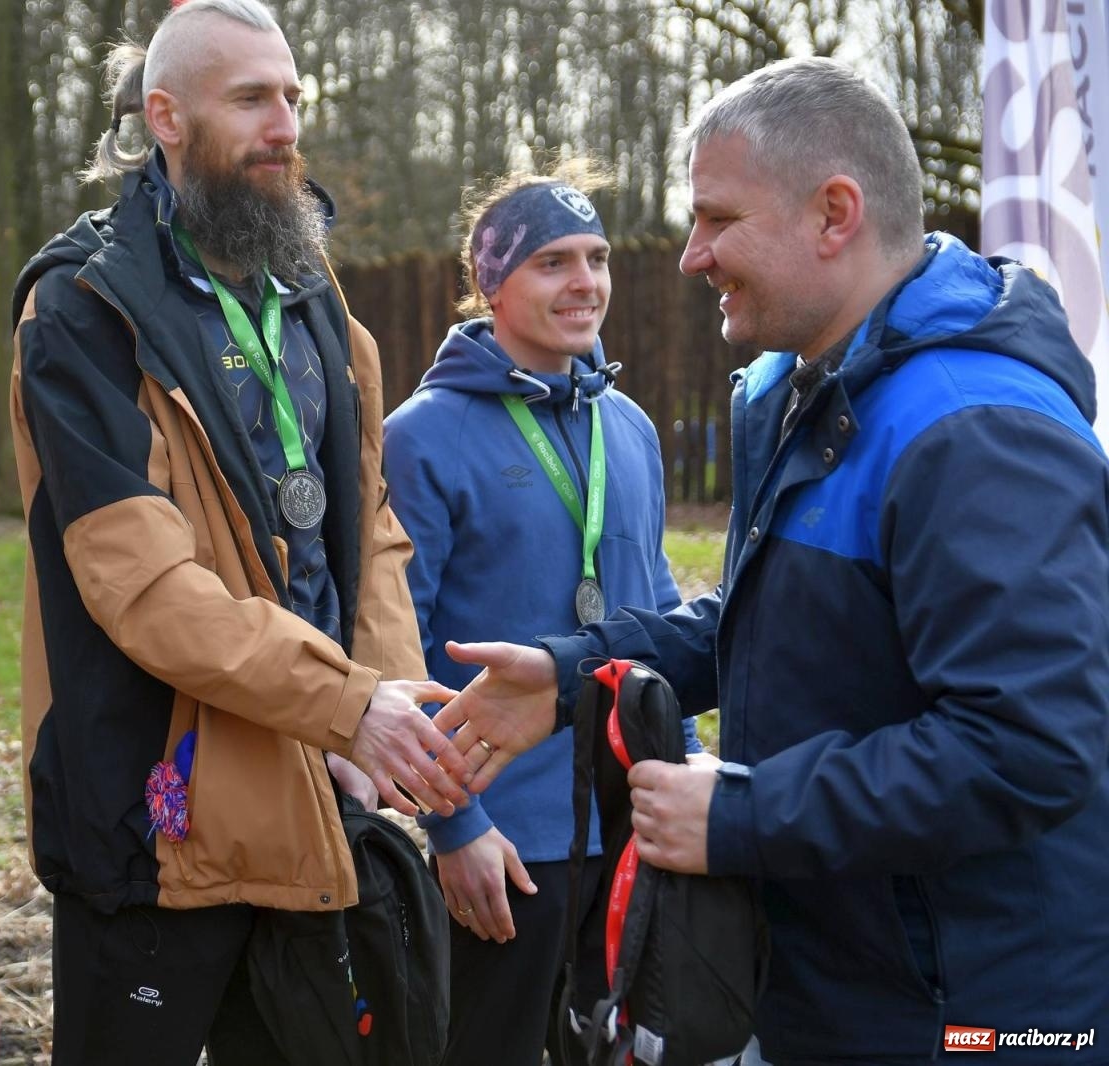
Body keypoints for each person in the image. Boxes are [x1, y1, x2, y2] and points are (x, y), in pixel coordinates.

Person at [440, 57, 1109, 1065]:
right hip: (821, 986)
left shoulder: (974, 431)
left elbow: (1028, 745)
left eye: (715, 219)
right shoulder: (788, 389)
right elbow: (761, 618)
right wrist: (575, 673)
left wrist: (744, 814)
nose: (688, 256)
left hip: (972, 1014)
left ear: (833, 213)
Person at [5, 2, 469, 1063]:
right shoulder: (81, 309)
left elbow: (371, 530)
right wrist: (350, 707)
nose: (285, 125)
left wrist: (384, 709)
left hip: (311, 804)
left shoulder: (308, 288)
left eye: (294, 98)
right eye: (252, 98)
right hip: (151, 831)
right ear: (164, 116)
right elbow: (146, 590)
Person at [383, 167, 700, 1066]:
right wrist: (453, 827)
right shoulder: (422, 434)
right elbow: (396, 650)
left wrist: (693, 761)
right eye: (553, 262)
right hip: (506, 844)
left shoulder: (630, 426)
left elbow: (658, 608)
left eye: (596, 259)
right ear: (491, 281)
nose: (586, 283)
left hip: (635, 823)